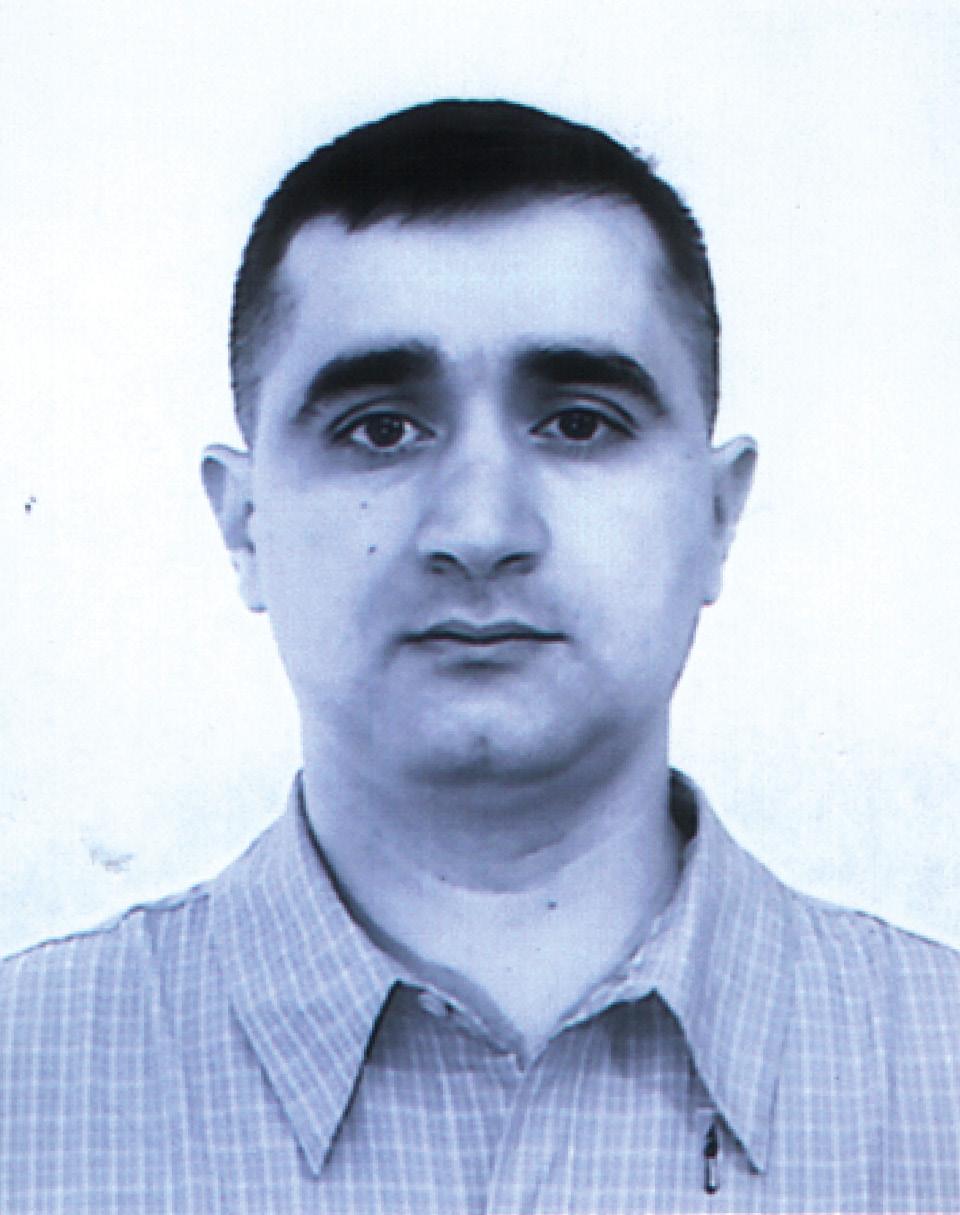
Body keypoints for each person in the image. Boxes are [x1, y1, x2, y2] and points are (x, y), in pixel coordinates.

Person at [1, 99, 957, 1215]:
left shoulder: (937, 1075)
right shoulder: (25, 1087)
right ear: (245, 523)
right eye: (380, 428)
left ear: (716, 514)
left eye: (580, 422)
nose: (480, 528)